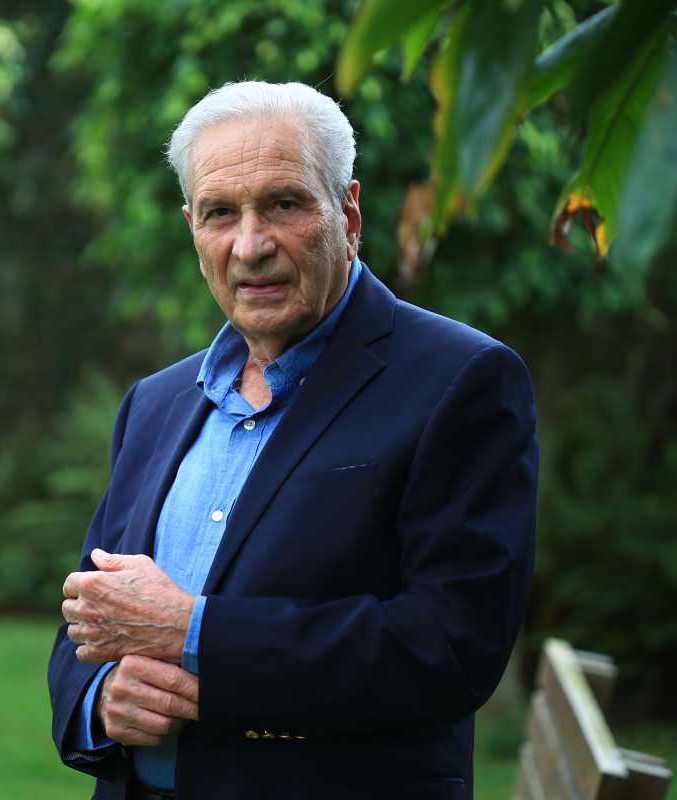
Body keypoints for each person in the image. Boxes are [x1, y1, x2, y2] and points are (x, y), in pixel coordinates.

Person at [48, 81, 538, 800]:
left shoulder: (461, 380)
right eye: (220, 213)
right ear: (192, 228)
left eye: (283, 204)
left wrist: (194, 631)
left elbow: (451, 646)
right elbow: (87, 621)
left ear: (347, 213)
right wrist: (100, 702)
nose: (251, 246)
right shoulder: (154, 403)